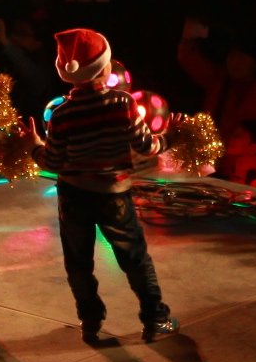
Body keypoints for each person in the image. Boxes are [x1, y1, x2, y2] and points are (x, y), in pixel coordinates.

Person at [22, 27, 176, 343]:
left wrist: (33, 145)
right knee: (134, 258)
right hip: (113, 195)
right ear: (105, 68)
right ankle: (155, 319)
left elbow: (52, 162)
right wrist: (171, 137)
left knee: (78, 262)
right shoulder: (122, 103)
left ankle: (90, 319)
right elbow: (146, 146)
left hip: (72, 196)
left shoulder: (61, 114)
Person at [176, 19, 256, 186]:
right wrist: (189, 37)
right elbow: (188, 58)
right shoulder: (218, 81)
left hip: (245, 174)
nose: (235, 62)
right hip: (206, 166)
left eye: (242, 57)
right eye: (231, 56)